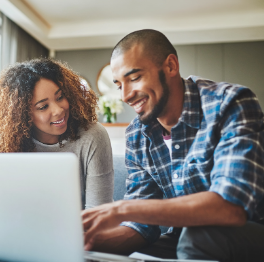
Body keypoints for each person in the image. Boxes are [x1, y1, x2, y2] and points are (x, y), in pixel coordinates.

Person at [81, 29, 264, 261]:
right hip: (183, 238)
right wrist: (85, 245)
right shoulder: (137, 134)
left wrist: (120, 209)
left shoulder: (230, 103)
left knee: (198, 236)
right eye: (119, 85)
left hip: (247, 233)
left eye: (135, 78)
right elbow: (142, 226)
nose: (125, 96)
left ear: (170, 66)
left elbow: (231, 206)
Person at [0, 58, 114, 209]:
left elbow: (99, 212)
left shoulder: (93, 136)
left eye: (60, 97)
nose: (58, 110)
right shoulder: (10, 143)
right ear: (23, 114)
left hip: (83, 229)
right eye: (43, 106)